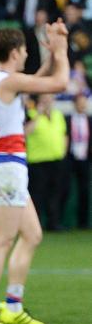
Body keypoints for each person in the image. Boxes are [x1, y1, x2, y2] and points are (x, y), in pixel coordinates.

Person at [0, 21, 69, 324]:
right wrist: (62, 51)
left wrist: (51, 55)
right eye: (25, 50)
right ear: (14, 52)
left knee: (32, 235)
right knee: (0, 242)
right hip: (7, 166)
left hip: (2, 164)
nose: (27, 54)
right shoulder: (8, 81)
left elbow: (30, 81)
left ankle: (13, 306)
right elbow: (59, 84)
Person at [26, 93, 68, 231]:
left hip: (56, 160)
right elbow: (25, 132)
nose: (47, 101)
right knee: (37, 194)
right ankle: (35, 224)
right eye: (44, 99)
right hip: (38, 161)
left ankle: (53, 222)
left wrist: (63, 152)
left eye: (49, 99)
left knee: (55, 193)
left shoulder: (58, 115)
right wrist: (37, 114)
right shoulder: (31, 114)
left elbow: (64, 134)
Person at [65, 94, 91, 229]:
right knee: (66, 188)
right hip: (70, 158)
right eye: (80, 102)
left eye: (84, 102)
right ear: (74, 104)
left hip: (85, 159)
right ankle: (63, 221)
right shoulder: (67, 119)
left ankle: (83, 222)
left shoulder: (89, 120)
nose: (82, 105)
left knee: (84, 190)